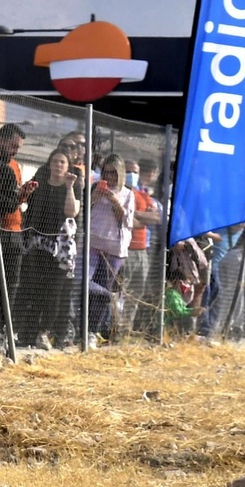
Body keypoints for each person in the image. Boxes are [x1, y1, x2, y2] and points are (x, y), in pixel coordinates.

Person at [22, 148, 82, 349]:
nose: (58, 165)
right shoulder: (40, 183)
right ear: (49, 164)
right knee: (35, 290)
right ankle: (29, 333)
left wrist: (69, 187)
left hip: (60, 247)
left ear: (68, 166)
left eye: (62, 162)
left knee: (54, 292)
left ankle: (45, 332)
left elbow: (71, 212)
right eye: (55, 161)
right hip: (38, 244)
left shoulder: (72, 186)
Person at [0, 124, 36, 342]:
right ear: (1, 141)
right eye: (13, 145)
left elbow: (12, 201)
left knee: (12, 282)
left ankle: (5, 328)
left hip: (14, 229)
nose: (15, 151)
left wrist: (23, 194)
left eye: (18, 147)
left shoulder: (13, 166)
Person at [87, 154, 135, 344]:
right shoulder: (95, 187)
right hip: (93, 242)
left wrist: (115, 202)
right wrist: (94, 198)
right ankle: (82, 325)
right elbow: (84, 210)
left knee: (102, 288)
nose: (109, 177)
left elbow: (127, 221)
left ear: (120, 174)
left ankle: (92, 331)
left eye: (113, 173)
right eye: (106, 172)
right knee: (85, 283)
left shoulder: (128, 194)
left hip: (114, 247)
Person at [116, 158, 161, 336]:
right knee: (120, 291)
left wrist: (135, 215)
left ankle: (125, 328)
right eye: (128, 171)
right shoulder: (118, 194)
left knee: (136, 291)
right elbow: (127, 220)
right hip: (124, 248)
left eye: (135, 172)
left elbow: (156, 218)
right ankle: (115, 327)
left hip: (142, 250)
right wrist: (141, 217)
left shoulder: (143, 195)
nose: (132, 175)